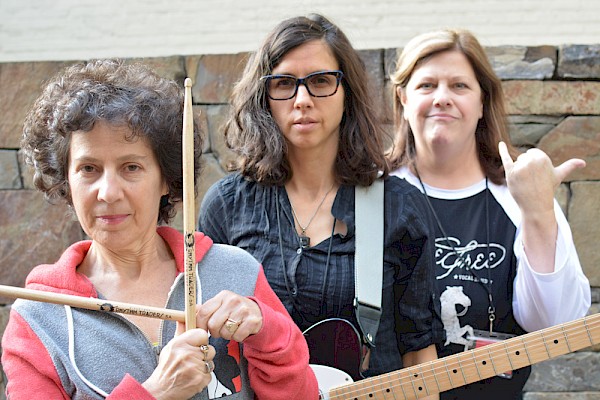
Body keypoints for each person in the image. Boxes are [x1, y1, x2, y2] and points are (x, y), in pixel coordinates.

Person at [1, 59, 318, 400]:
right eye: (89, 168)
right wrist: (156, 392)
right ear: (66, 180)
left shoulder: (236, 272)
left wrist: (267, 331)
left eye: (131, 167)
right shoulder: (37, 320)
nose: (108, 192)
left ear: (167, 178)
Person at [198, 13, 440, 397]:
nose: (302, 100)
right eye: (284, 83)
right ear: (264, 96)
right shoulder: (226, 206)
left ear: (347, 93)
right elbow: (205, 344)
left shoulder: (399, 208)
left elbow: (418, 351)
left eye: (321, 81)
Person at [387, 28, 591, 399]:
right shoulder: (373, 194)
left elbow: (555, 324)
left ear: (482, 101)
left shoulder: (519, 194)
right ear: (403, 98)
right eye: (427, 85)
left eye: (459, 86)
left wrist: (538, 211)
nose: (442, 98)